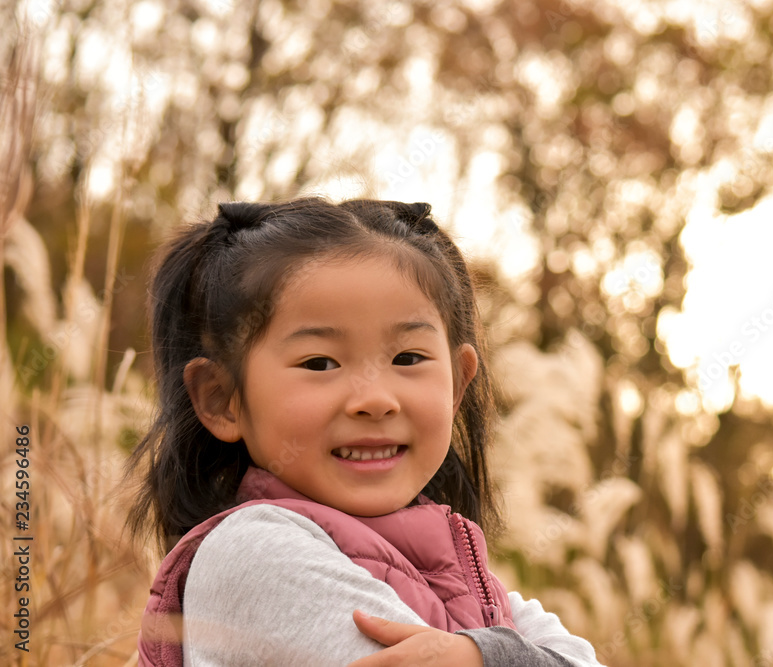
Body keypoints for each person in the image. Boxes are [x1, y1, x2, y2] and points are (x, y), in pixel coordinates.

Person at [126, 197, 605, 666]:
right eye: (320, 363)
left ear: (457, 384)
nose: (375, 399)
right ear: (221, 398)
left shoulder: (456, 571)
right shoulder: (253, 554)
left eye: (407, 358)